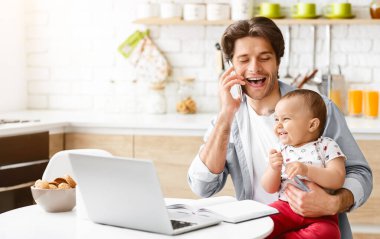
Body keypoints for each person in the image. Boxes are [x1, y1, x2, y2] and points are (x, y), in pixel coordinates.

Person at [187, 17, 372, 239]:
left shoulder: (318, 108)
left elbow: (360, 173)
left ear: (277, 62)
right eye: (243, 60)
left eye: (265, 58)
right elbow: (202, 187)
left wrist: (334, 202)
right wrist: (226, 116)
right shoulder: (228, 117)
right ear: (232, 67)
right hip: (259, 229)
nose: (254, 68)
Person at [261, 89, 346, 238]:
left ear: (312, 125)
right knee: (262, 223)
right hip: (286, 207)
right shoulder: (280, 149)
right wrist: (274, 169)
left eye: (286, 119)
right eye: (276, 119)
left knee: (330, 233)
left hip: (321, 212)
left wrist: (307, 170)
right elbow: (269, 188)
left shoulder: (326, 145)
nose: (279, 125)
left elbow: (337, 179)